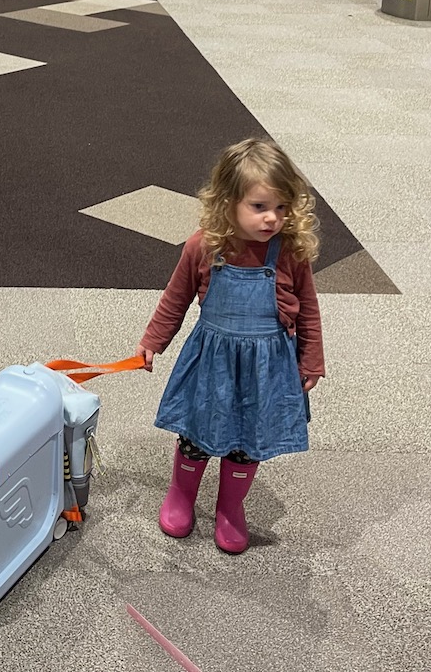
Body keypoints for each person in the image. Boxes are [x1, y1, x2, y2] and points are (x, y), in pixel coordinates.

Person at [136, 138, 324, 555]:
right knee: (197, 433)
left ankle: (230, 507)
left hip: (267, 369)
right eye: (259, 207)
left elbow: (308, 308)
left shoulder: (290, 253)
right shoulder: (203, 246)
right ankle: (181, 495)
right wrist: (153, 341)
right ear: (228, 202)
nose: (272, 218)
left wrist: (311, 359)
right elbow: (176, 297)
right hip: (213, 365)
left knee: (247, 440)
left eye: (281, 206)